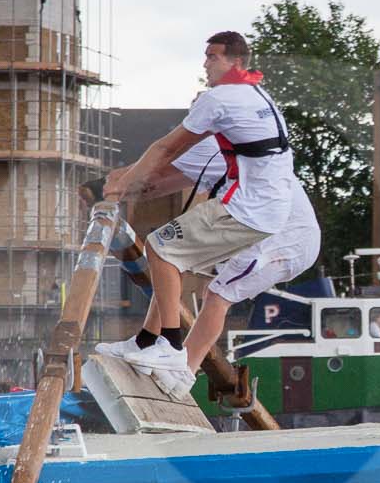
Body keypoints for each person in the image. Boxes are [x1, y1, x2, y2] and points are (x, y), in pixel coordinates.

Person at [100, 31, 302, 396]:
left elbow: (164, 149)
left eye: (212, 57)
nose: (205, 64)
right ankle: (148, 343)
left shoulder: (218, 99)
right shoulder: (257, 93)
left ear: (235, 62)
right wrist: (132, 183)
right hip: (265, 211)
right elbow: (172, 176)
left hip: (252, 213)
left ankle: (171, 350)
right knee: (176, 260)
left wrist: (120, 184)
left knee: (162, 250)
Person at [100, 122, 319, 390]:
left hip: (283, 239)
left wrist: (111, 183)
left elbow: (154, 175)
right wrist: (120, 187)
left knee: (217, 295)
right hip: (273, 230)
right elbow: (160, 186)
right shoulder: (226, 145)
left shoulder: (212, 144)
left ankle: (182, 372)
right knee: (171, 261)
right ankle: (147, 343)